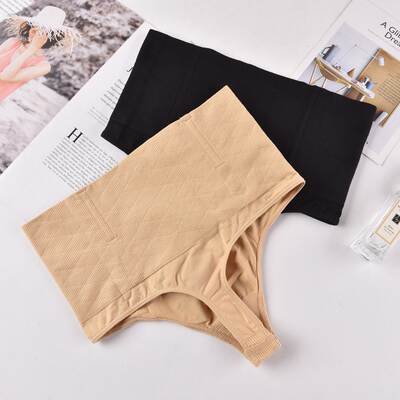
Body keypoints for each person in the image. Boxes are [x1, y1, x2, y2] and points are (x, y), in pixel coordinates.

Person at [0, 6, 79, 101]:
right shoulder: (12, 42)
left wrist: (32, 49)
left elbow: (5, 76)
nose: (33, 31)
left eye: (41, 29)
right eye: (34, 26)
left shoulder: (43, 66)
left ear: (50, 37)